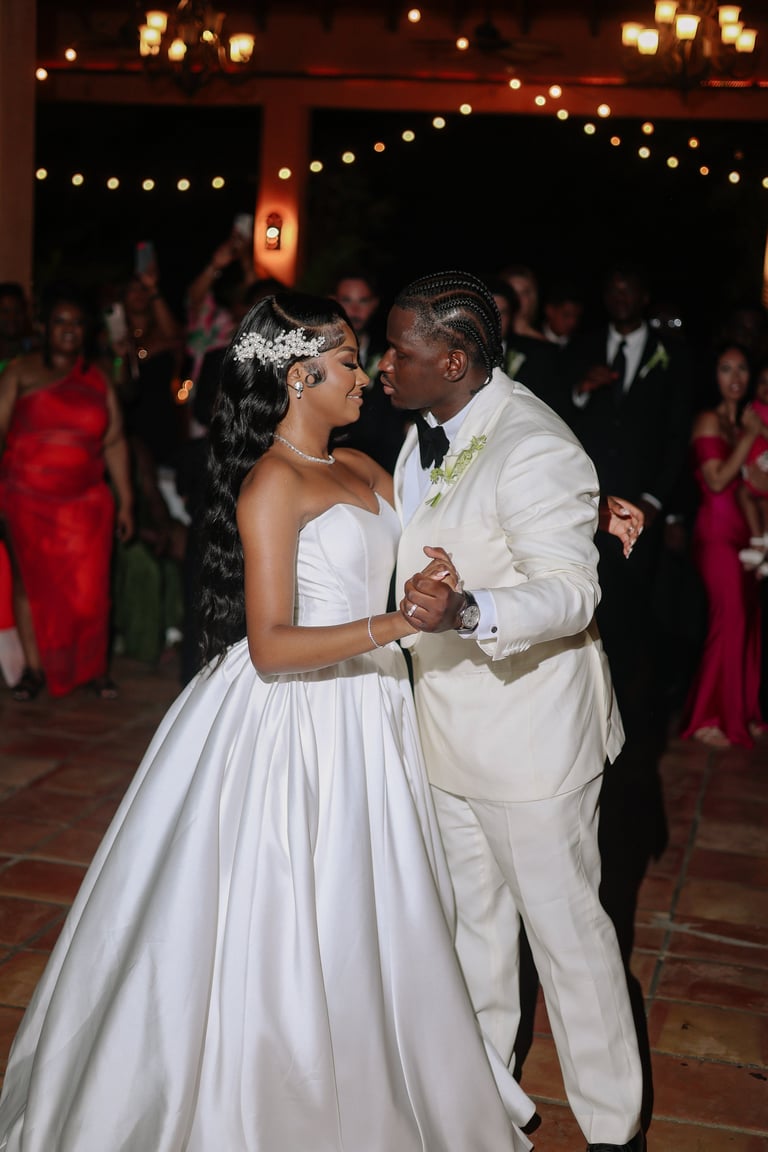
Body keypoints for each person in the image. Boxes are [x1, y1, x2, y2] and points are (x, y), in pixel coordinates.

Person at [0, 292, 533, 1152]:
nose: (368, 376)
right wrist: (396, 624)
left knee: (377, 906)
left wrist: (497, 546)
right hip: (299, 722)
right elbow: (273, 645)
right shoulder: (271, 484)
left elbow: (447, 530)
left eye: (361, 360)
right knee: (289, 906)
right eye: (352, 361)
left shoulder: (365, 467)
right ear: (299, 375)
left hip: (372, 712)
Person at [379, 270, 644, 1152]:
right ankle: (485, 1104)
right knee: (472, 930)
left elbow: (569, 591)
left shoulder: (534, 444)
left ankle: (614, 1129)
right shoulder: (429, 431)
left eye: (399, 351)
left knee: (568, 940)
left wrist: (467, 611)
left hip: (530, 738)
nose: (385, 365)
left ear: (453, 359)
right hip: (447, 722)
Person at [0, 283, 133, 701]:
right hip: (26, 499)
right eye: (60, 322)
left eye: (77, 323)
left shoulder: (98, 378)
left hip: (86, 502)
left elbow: (114, 441)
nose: (69, 330)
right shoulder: (20, 371)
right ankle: (34, 672)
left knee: (91, 591)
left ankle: (93, 671)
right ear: (44, 327)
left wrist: (127, 500)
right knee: (30, 586)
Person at [680, 342, 767, 749]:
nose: (735, 378)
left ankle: (743, 712)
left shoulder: (743, 424)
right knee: (728, 622)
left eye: (742, 369)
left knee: (749, 623)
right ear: (713, 377)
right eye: (725, 369)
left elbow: (754, 484)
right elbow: (716, 481)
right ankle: (706, 717)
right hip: (715, 535)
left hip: (745, 537)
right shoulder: (709, 421)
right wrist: (751, 437)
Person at [329, 269, 409, 471]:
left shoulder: (390, 351)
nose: (354, 309)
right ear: (333, 301)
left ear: (374, 304)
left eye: (363, 301)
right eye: (346, 300)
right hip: (335, 457)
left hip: (386, 460)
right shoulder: (321, 355)